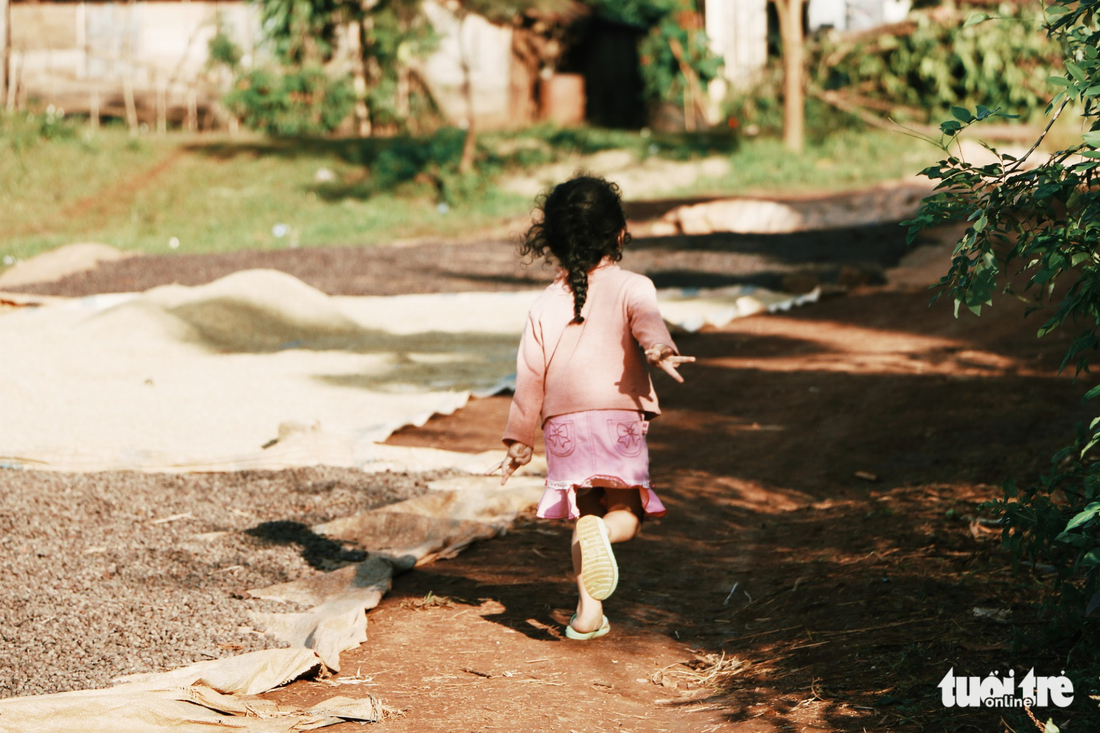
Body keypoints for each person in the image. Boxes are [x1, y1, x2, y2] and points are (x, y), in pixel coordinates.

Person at [491, 175, 694, 640]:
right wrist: (660, 351)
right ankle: (609, 534)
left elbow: (529, 379)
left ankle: (588, 614)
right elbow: (648, 325)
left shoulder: (543, 305)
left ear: (553, 244)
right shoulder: (633, 285)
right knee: (623, 513)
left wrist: (520, 441)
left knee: (584, 515)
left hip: (563, 428)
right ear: (620, 233)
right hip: (617, 420)